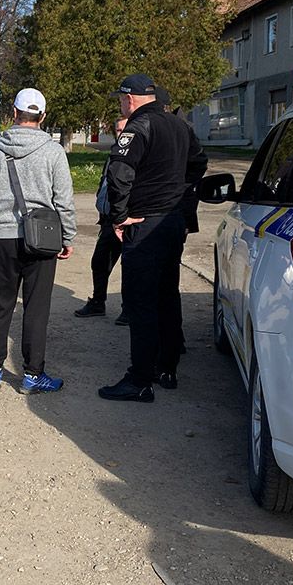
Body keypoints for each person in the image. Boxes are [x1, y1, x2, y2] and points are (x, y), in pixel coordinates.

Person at [0, 88, 76, 394]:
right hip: (42, 241)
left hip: (3, 239)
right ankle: (32, 376)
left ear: (14, 114)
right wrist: (67, 237)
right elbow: (64, 201)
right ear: (42, 117)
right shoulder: (53, 151)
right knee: (36, 308)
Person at [97, 74, 194, 403]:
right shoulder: (179, 125)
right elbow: (199, 162)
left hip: (146, 224)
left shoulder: (139, 127)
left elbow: (119, 173)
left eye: (121, 99)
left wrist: (120, 216)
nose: (120, 104)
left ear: (130, 99)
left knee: (141, 302)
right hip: (172, 221)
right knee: (167, 294)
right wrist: (180, 197)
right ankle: (167, 366)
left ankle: (140, 379)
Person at [74, 116, 128, 325]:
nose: (120, 133)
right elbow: (106, 180)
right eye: (118, 129)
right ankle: (98, 302)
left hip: (126, 220)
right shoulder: (114, 153)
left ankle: (128, 309)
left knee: (129, 266)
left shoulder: (135, 152)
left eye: (124, 129)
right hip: (107, 219)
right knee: (99, 261)